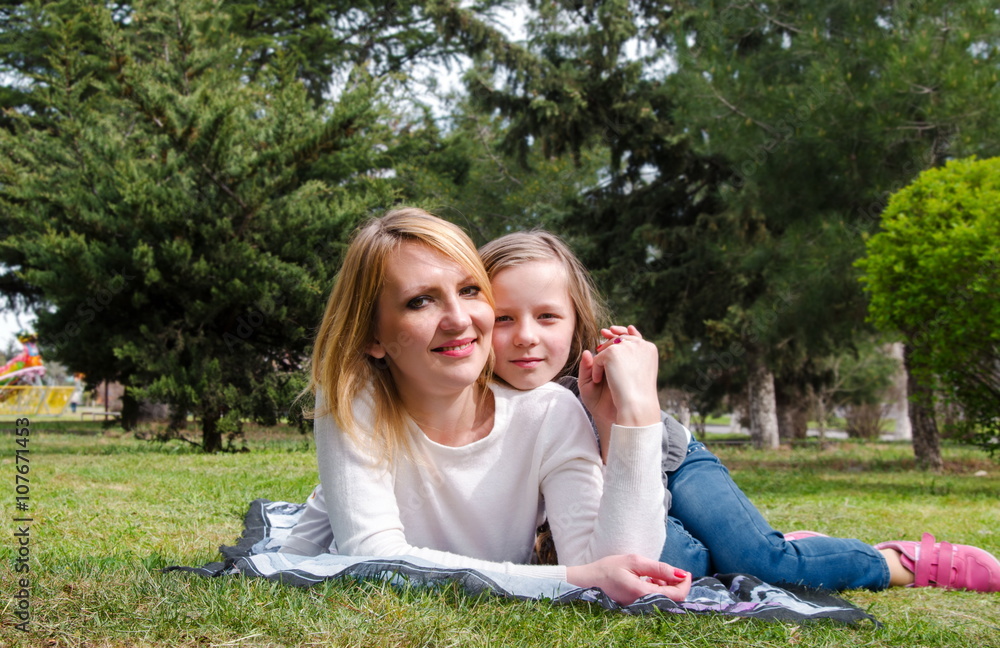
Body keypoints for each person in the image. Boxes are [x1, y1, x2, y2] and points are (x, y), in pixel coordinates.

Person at [479, 229, 1000, 593]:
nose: (526, 337)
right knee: (681, 569)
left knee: (759, 563)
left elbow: (640, 474)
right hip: (622, 510)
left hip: (673, 463)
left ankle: (900, 562)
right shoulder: (476, 409)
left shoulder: (593, 385)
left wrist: (628, 404)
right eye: (504, 318)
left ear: (577, 321)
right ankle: (741, 546)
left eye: (548, 316)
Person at [285, 207, 691, 605]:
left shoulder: (550, 411)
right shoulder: (354, 397)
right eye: (420, 301)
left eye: (469, 290)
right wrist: (569, 579)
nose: (459, 319)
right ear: (373, 336)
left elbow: (616, 575)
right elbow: (373, 559)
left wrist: (636, 416)